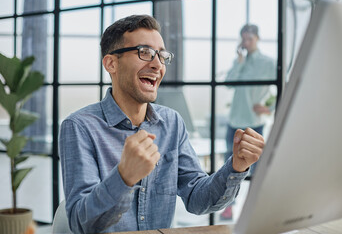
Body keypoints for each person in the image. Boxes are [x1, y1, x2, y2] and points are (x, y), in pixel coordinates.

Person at [59, 15, 265, 233]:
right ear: (111, 63)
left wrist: (237, 166)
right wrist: (123, 177)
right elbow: (81, 223)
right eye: (144, 52)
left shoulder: (172, 123)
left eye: (162, 55)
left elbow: (197, 197)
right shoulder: (79, 126)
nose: (157, 64)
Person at [220, 24, 276, 220]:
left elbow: (286, 84)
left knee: (256, 169)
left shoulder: (268, 63)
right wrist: (239, 62)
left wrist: (270, 108)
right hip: (234, 120)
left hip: (254, 122)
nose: (246, 42)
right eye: (243, 39)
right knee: (229, 167)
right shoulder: (239, 61)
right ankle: (228, 206)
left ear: (257, 38)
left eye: (249, 38)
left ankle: (255, 208)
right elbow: (228, 84)